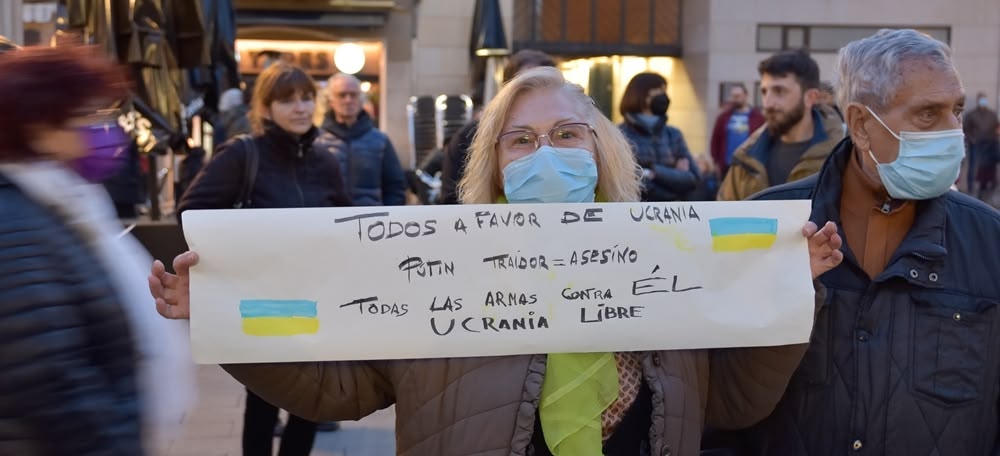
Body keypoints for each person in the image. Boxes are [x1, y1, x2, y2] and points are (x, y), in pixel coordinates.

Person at [150, 66, 845, 456]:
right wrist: (226, 316)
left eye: (567, 134)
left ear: (600, 150)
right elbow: (342, 389)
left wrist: (788, 289)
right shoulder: (438, 258)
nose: (546, 152)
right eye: (521, 140)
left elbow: (731, 400)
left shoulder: (675, 255)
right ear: (494, 164)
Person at [724, 29, 1000, 455]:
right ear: (860, 124)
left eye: (957, 111)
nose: (953, 133)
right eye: (929, 114)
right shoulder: (767, 224)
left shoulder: (989, 241)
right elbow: (720, 403)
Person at [0, 46, 194, 454]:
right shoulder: (17, 223)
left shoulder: (68, 203)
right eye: (85, 116)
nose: (102, 129)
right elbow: (46, 376)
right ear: (39, 128)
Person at [177, 62, 352, 456]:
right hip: (261, 300)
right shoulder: (243, 153)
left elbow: (344, 220)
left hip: (317, 297)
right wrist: (238, 258)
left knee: (312, 400)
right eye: (288, 100)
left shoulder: (325, 161)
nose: (301, 108)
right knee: (264, 399)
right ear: (266, 107)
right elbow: (193, 211)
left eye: (307, 98)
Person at [717, 49, 844, 201]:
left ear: (811, 97)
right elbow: (725, 219)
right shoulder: (746, 158)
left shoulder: (842, 157)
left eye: (779, 91)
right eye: (764, 92)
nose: (768, 103)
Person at [438, 48, 556, 204]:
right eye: (527, 86)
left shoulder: (570, 134)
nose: (538, 94)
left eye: (548, 86)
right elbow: (451, 199)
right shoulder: (470, 135)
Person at [314, 73, 406, 206]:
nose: (348, 100)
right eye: (342, 95)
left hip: (372, 221)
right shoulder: (316, 140)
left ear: (361, 99)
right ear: (331, 101)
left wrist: (386, 218)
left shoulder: (380, 141)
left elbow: (395, 187)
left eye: (353, 95)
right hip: (328, 221)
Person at [619, 72, 700, 202]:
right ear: (642, 95)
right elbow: (628, 181)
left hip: (674, 213)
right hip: (637, 213)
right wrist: (675, 176)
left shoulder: (673, 134)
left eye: (665, 92)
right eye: (659, 92)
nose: (664, 97)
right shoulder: (621, 135)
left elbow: (692, 178)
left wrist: (652, 171)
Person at [710, 83, 765, 176]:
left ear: (746, 96)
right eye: (733, 96)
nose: (735, 99)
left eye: (738, 96)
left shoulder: (758, 118)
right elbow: (715, 140)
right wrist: (716, 162)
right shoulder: (723, 117)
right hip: (727, 166)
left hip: (750, 165)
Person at [963, 92, 999, 199]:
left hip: (990, 145)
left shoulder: (992, 114)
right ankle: (971, 188)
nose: (983, 101)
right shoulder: (971, 115)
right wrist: (972, 140)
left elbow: (996, 127)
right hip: (976, 144)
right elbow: (966, 129)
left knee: (988, 166)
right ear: (978, 100)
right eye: (981, 99)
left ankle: (987, 187)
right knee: (973, 166)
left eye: (984, 99)